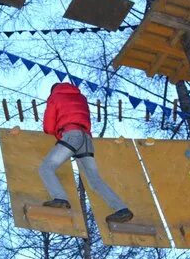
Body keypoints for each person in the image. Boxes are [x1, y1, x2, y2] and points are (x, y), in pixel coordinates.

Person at [39, 82, 133, 224]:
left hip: (71, 134)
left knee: (46, 167)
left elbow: (48, 126)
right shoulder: (81, 97)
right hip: (86, 139)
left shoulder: (55, 97)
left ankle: (60, 198)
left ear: (53, 90)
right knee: (94, 179)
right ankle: (122, 209)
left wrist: (59, 135)